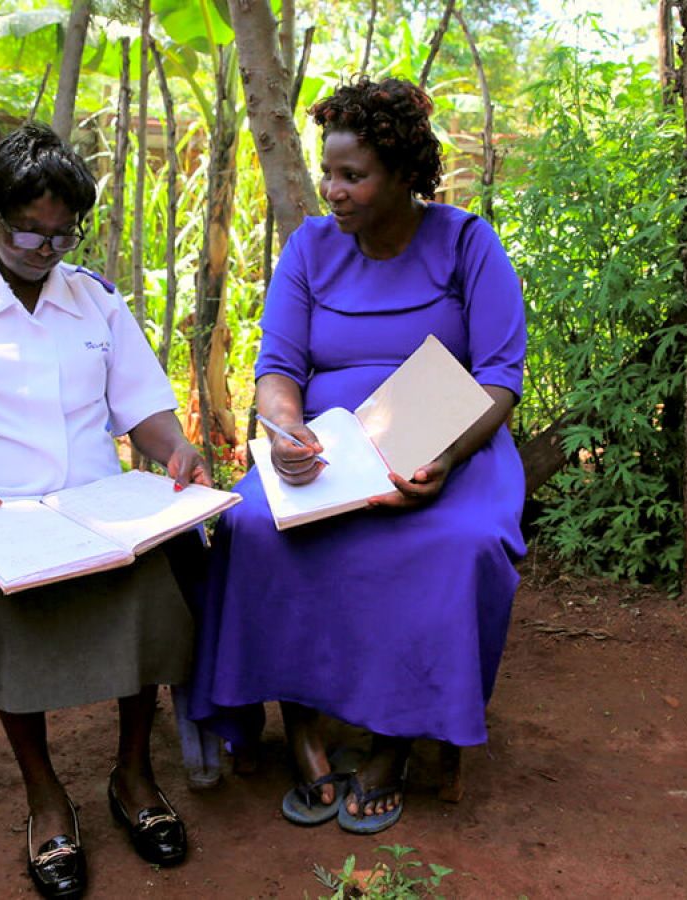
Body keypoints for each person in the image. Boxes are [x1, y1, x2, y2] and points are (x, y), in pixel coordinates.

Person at [0, 123, 208, 899]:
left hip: (96, 505)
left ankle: (131, 773)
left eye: (61, 234)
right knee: (7, 589)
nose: (44, 249)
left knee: (149, 574)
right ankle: (45, 793)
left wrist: (176, 447)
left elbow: (143, 407)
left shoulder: (95, 301)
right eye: (28, 230)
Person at [187, 77, 527, 835]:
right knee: (251, 528)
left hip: (450, 445)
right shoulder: (310, 249)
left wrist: (439, 456)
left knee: (454, 543)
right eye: (329, 172)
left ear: (405, 175)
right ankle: (302, 727)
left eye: (353, 176)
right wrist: (283, 433)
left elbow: (501, 377)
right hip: (329, 449)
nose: (333, 191)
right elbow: (279, 367)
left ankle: (393, 740)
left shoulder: (467, 242)